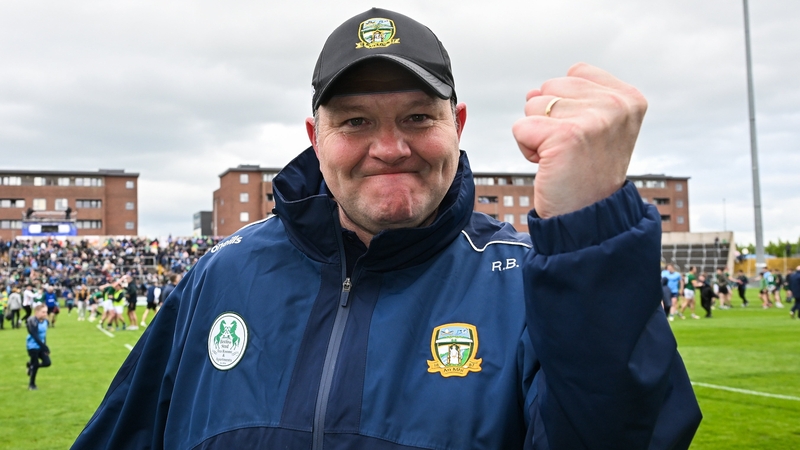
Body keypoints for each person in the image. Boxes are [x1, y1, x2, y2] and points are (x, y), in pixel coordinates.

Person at [73, 9, 700, 449]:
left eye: (417, 116)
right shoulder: (222, 273)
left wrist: (589, 227)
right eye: (355, 122)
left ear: (457, 123)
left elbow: (626, 434)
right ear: (315, 138)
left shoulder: (527, 282)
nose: (390, 146)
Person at [26, 303, 51, 390]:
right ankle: (31, 385)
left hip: (41, 345)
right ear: (36, 312)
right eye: (43, 312)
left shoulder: (46, 321)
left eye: (46, 312)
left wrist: (45, 345)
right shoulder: (31, 321)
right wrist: (44, 347)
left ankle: (31, 366)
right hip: (32, 346)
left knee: (47, 363)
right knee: (35, 364)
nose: (45, 314)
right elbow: (35, 335)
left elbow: (44, 335)